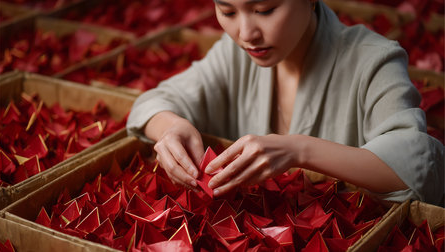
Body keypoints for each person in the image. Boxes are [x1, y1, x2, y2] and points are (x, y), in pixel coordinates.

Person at [127, 0, 444, 206]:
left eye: (264, 10)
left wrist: (299, 150)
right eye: (227, 11)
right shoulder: (234, 53)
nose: (246, 33)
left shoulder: (374, 61)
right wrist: (172, 127)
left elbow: (418, 164)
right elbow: (153, 103)